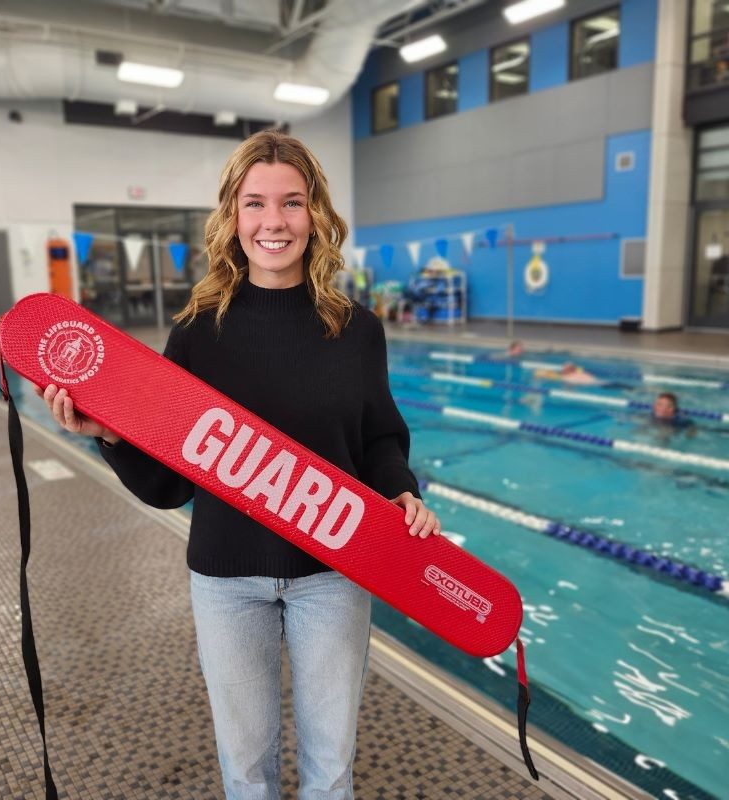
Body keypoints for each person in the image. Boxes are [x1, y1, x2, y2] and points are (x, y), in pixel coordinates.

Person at [35, 129, 440, 800]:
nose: (273, 221)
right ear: (232, 216)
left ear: (316, 215)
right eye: (255, 204)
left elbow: (379, 441)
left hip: (333, 575)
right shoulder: (198, 331)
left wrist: (399, 492)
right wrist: (106, 433)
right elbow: (167, 481)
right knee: (246, 770)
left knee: (331, 768)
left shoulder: (357, 328)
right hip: (227, 580)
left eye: (291, 202)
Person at [533, 361, 601, 386]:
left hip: (592, 383)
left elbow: (569, 386)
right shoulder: (579, 372)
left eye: (565, 369)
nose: (563, 370)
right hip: (597, 381)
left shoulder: (568, 377)